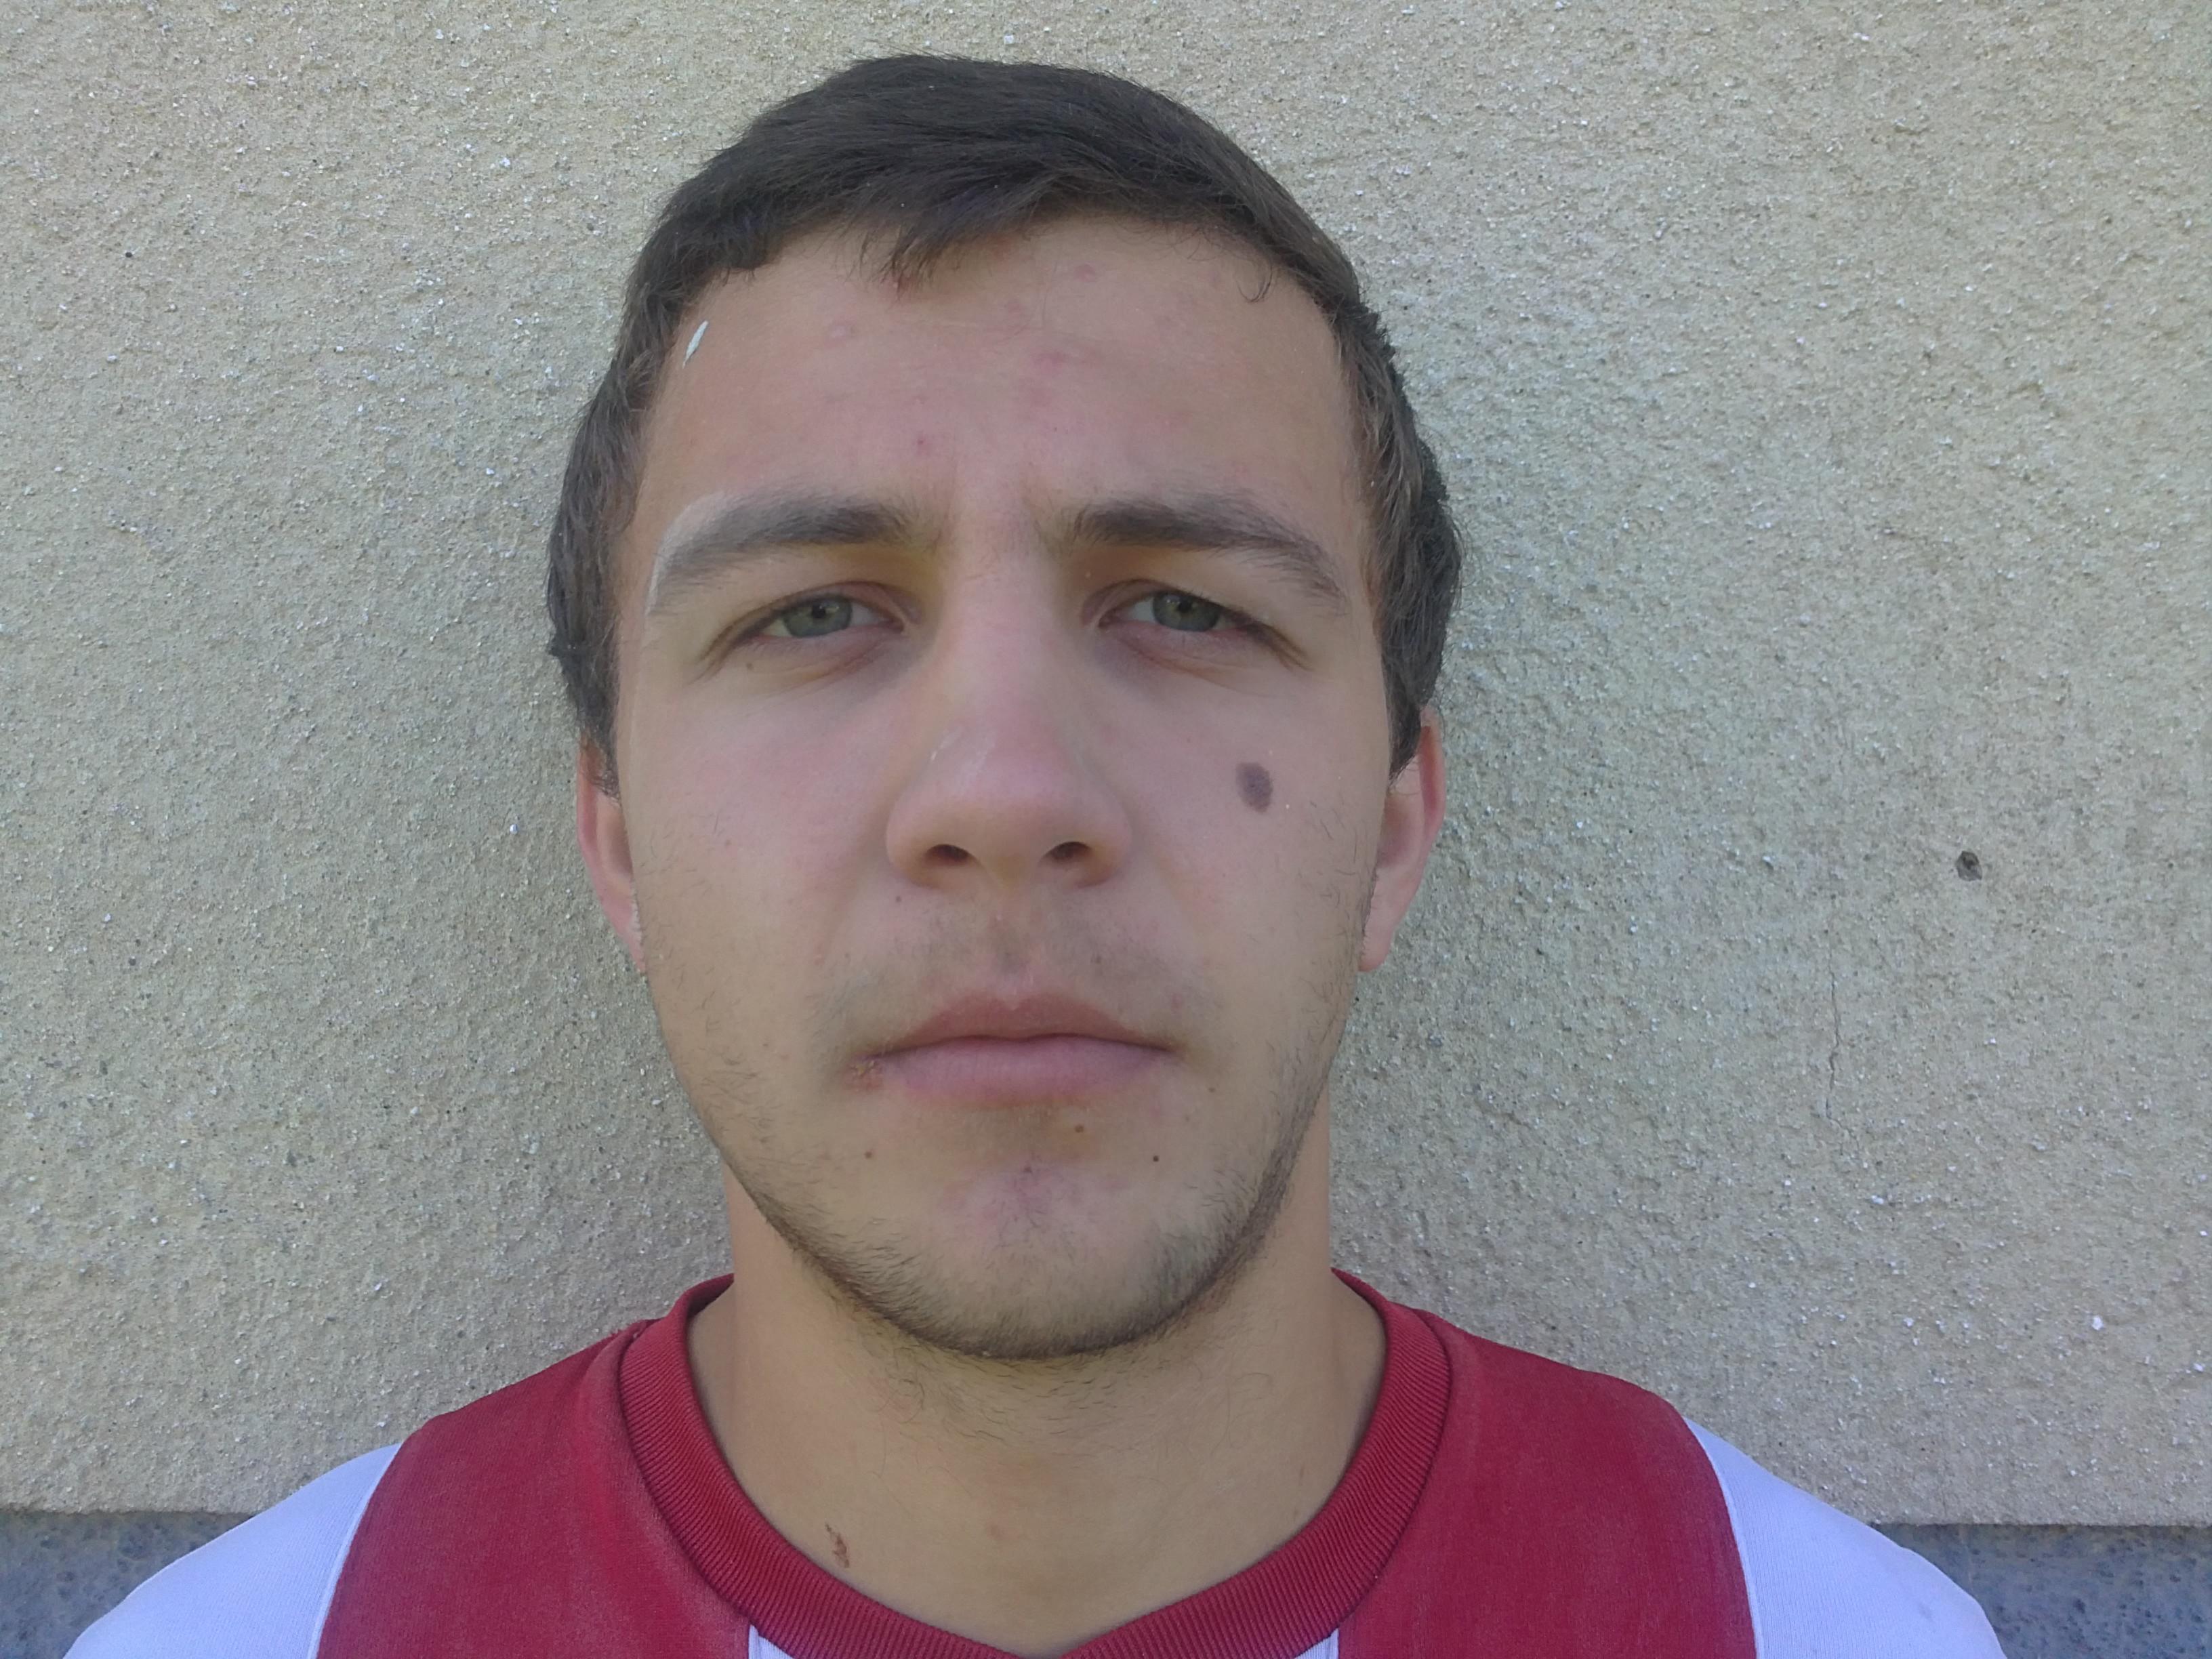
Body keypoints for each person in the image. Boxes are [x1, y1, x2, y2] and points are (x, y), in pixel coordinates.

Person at [71, 56, 2005, 1659]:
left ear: (1395, 826)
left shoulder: (1820, 1633)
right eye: (815, 614)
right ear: (620, 842)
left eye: (1184, 607)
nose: (1003, 790)